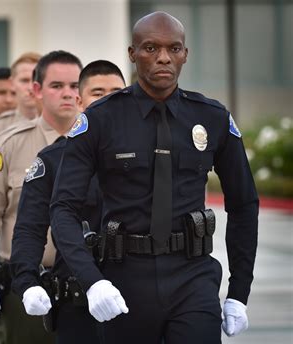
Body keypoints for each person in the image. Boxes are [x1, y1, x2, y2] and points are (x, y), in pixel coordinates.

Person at [50, 11, 258, 344]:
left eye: (174, 48)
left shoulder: (211, 117)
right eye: (150, 48)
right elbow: (62, 208)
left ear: (185, 55)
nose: (163, 57)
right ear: (131, 54)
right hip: (124, 278)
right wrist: (92, 280)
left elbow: (244, 203)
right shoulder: (101, 119)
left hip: (193, 276)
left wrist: (239, 291)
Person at [0, 50, 82, 344]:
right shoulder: (9, 144)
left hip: (87, 287)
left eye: (74, 86)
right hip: (28, 285)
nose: (67, 94)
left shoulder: (102, 143)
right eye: (57, 86)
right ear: (37, 90)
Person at [10, 60, 126, 344]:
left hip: (137, 296)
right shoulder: (53, 159)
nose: (108, 100)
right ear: (80, 100)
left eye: (117, 92)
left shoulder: (151, 155)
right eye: (98, 93)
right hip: (76, 302)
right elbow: (30, 228)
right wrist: (27, 281)